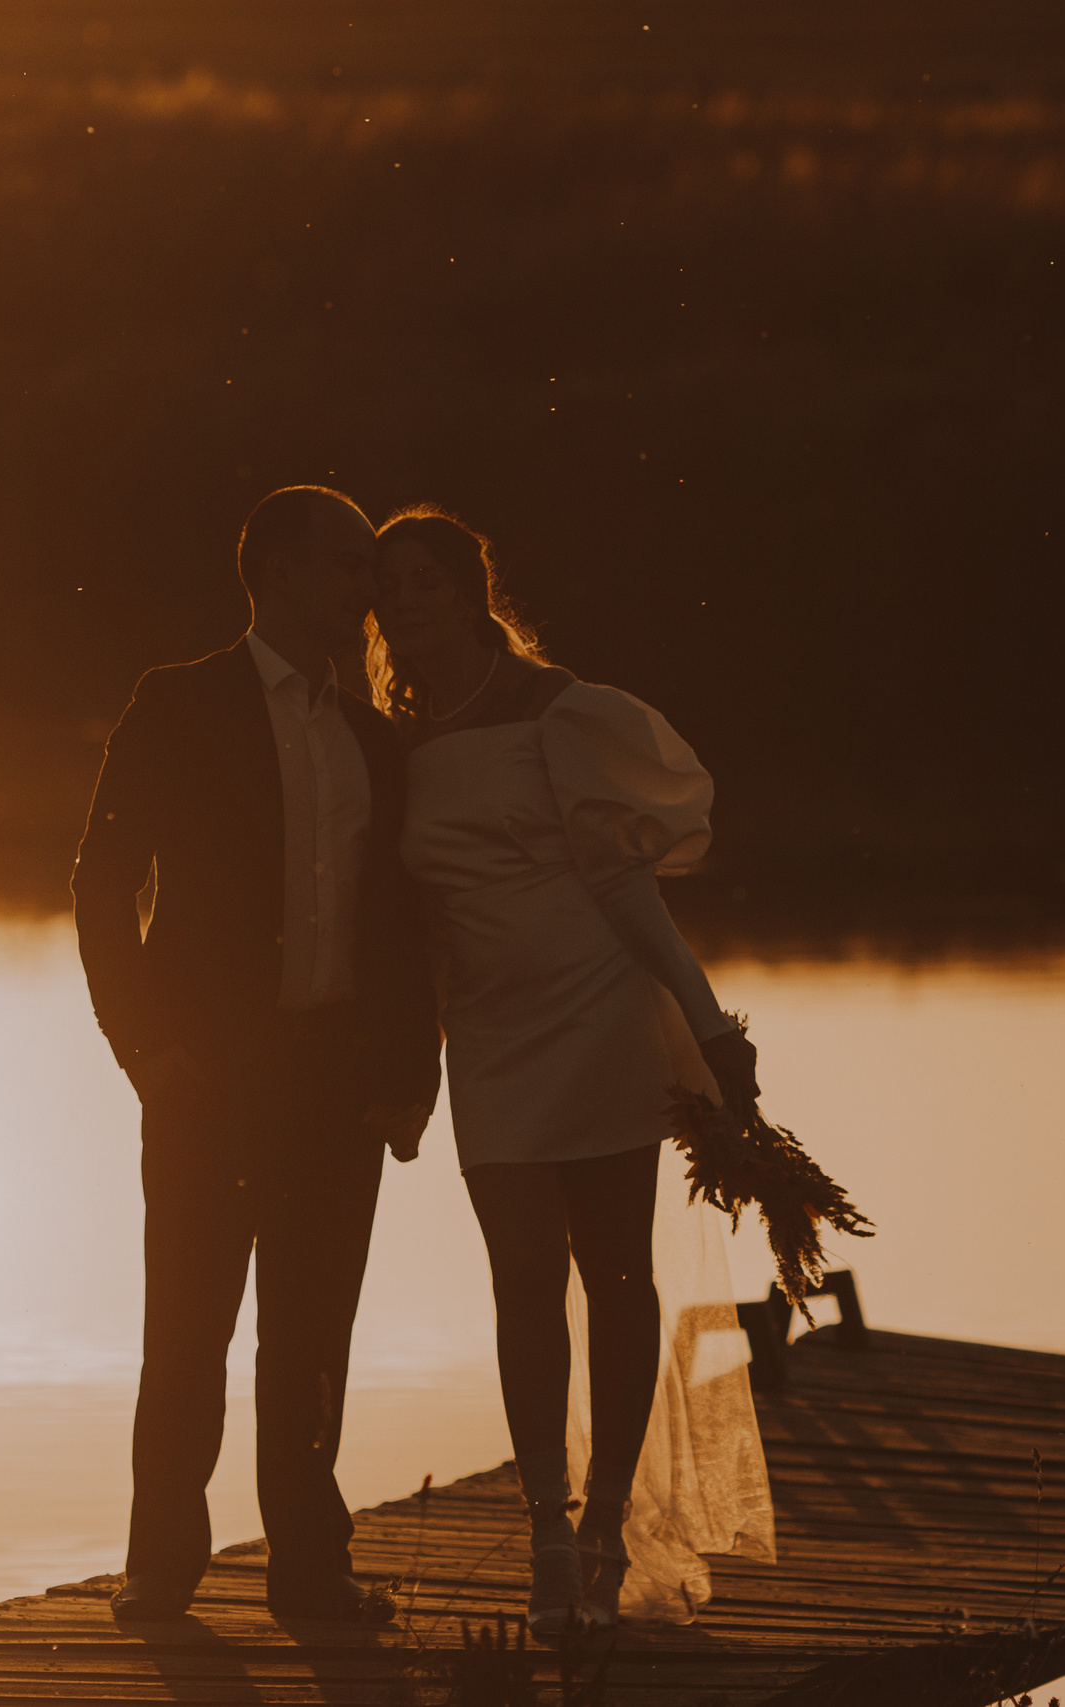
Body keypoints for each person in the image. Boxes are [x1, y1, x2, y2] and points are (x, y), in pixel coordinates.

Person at [369, 505, 774, 1643]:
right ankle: (545, 1523)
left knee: (617, 1277)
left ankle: (603, 1525)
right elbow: (415, 934)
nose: (404, 607)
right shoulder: (394, 744)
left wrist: (707, 1022)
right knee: (518, 1284)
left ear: (468, 591)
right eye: (387, 590)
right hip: (491, 1037)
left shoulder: (561, 715)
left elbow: (624, 888)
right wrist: (414, 1071)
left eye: (424, 585)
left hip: (596, 1015)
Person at [72, 485, 441, 1624]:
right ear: (278, 571)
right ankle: (160, 1571)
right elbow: (100, 878)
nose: (365, 592)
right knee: (185, 1330)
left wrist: (405, 1075)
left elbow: (404, 923)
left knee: (312, 1339)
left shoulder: (378, 738)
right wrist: (145, 1047)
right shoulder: (180, 703)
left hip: (337, 1083)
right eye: (347, 568)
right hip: (207, 1079)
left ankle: (309, 1574)